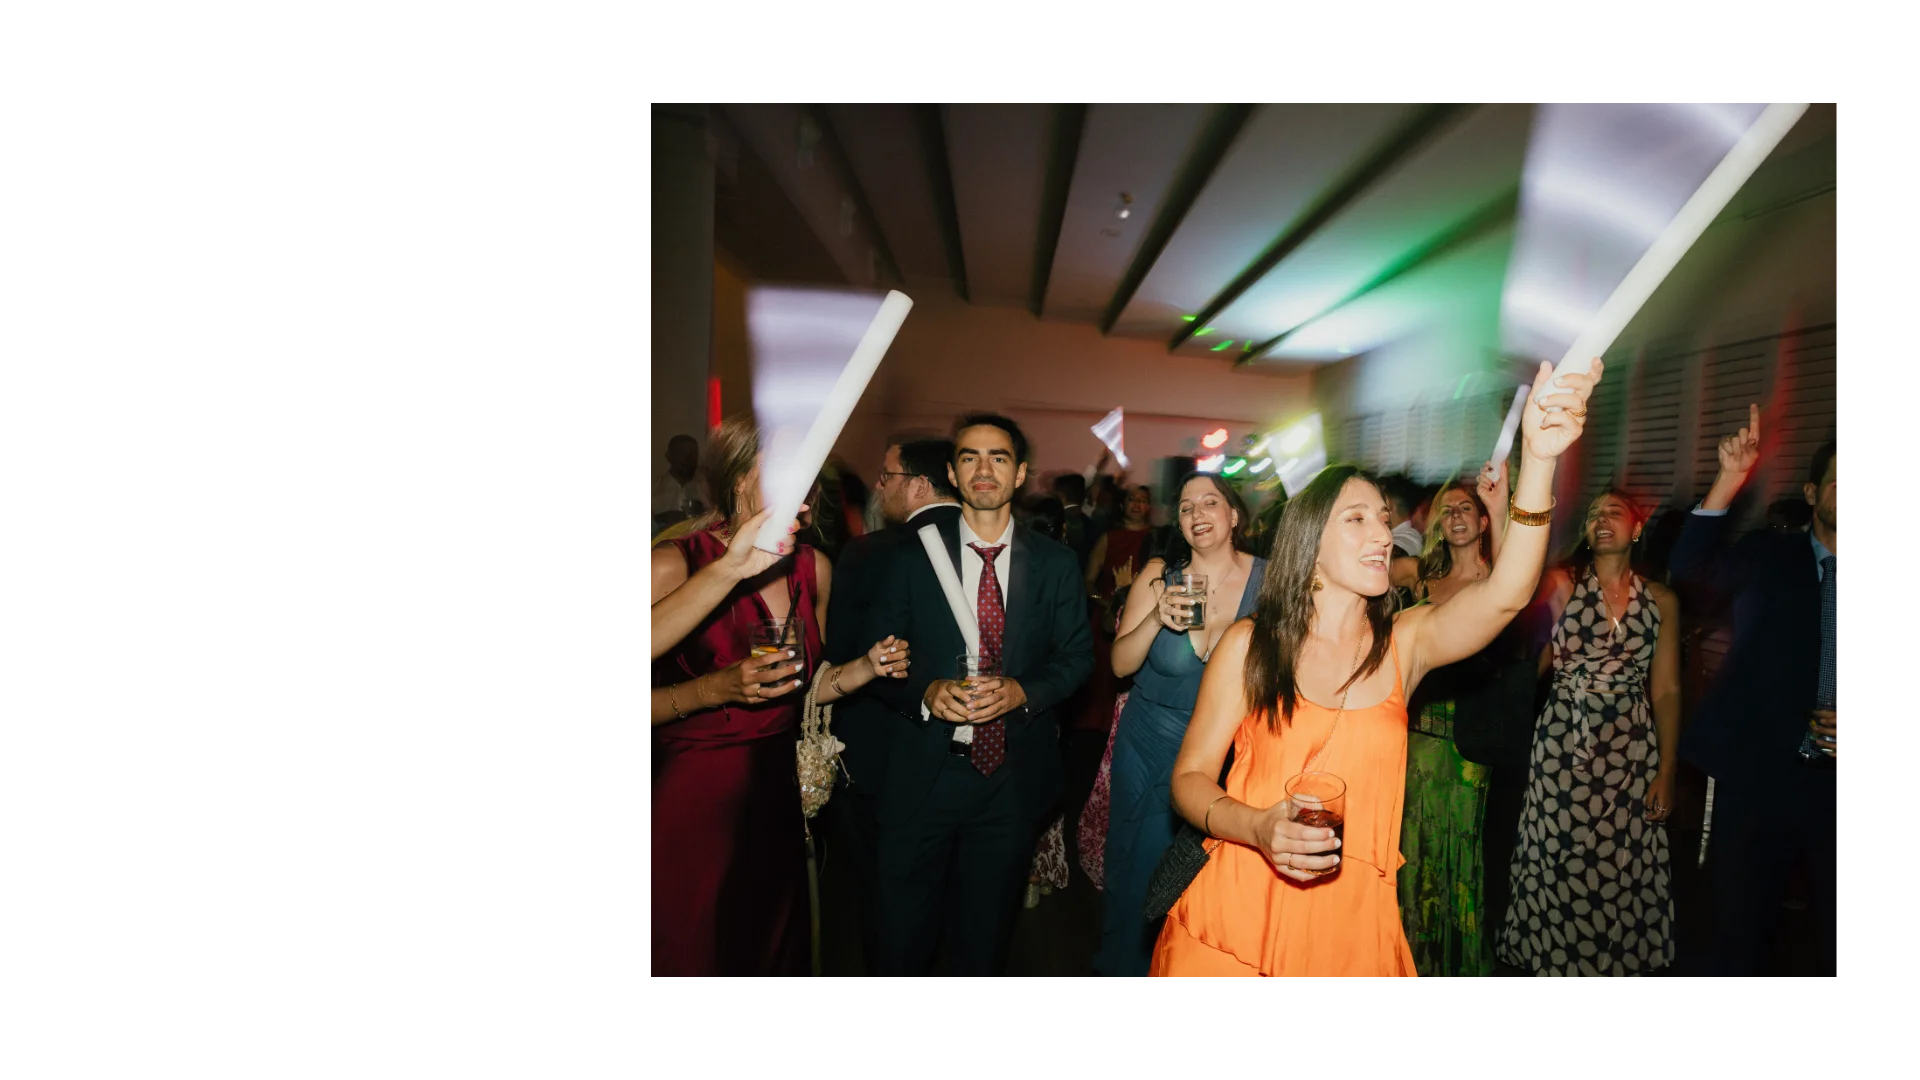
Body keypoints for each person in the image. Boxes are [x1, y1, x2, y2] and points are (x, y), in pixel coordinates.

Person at [1148, 359, 1601, 979]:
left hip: (1349, 919)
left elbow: (1508, 593)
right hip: (1238, 905)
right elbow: (1190, 779)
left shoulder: (1405, 643)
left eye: (1384, 520)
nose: (1382, 534)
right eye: (1356, 518)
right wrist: (1257, 827)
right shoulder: (1251, 646)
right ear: (1309, 542)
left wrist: (1540, 460)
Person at [646, 416, 913, 981]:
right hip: (691, 796)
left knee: (771, 949)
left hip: (776, 792)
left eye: (810, 475)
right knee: (695, 951)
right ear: (740, 479)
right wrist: (710, 689)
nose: (806, 488)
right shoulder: (674, 563)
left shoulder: (813, 569)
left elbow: (806, 687)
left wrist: (863, 669)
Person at [860, 413, 1094, 981]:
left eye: (999, 457)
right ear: (952, 472)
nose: (984, 468)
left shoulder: (1056, 564)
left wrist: (1020, 691)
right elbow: (879, 656)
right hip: (925, 774)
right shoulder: (910, 555)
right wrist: (925, 691)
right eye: (969, 457)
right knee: (901, 939)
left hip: (1010, 782)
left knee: (985, 940)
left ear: (1019, 476)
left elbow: (1077, 658)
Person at [1670, 409, 1839, 982]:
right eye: (1839, 480)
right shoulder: (1772, 555)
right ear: (1813, 494)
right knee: (1740, 938)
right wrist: (1727, 483)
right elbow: (1689, 572)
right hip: (1760, 779)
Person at [1497, 483, 1682, 981]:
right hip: (1563, 748)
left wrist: (1666, 770)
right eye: (1594, 514)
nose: (1601, 520)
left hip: (1631, 753)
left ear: (1636, 528)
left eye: (1614, 512)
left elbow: (1665, 691)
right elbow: (1529, 649)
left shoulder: (1661, 599)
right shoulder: (1561, 584)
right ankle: (1556, 967)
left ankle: (1609, 968)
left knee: (1619, 867)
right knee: (1559, 862)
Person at [1096, 473, 1265, 980]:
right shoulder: (1159, 575)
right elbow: (1120, 666)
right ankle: (1126, 969)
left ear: (1234, 516)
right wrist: (1154, 620)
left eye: (1210, 502)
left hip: (1227, 753)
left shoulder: (1273, 582)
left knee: (1206, 878)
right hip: (1149, 745)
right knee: (1138, 869)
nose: (1197, 514)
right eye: (1187, 506)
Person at [820, 438, 960, 976]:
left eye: (887, 475)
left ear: (920, 485)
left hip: (883, 753)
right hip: (971, 756)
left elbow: (844, 661)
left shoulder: (871, 552)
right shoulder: (996, 545)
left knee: (886, 898)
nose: (879, 486)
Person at [1384, 465, 1512, 978]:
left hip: (1467, 746)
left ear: (1482, 522)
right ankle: (1406, 962)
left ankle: (1454, 966)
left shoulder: (1496, 579)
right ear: (1435, 522)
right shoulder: (1420, 576)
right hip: (1409, 739)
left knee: (1457, 855)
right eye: (1447, 509)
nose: (1455, 516)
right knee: (1409, 852)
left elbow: (1518, 587)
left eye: (1466, 508)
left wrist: (1503, 510)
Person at [651, 434, 710, 538]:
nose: (689, 458)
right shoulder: (653, 487)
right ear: (669, 456)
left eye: (693, 453)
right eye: (682, 453)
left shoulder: (705, 488)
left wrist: (704, 513)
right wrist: (661, 518)